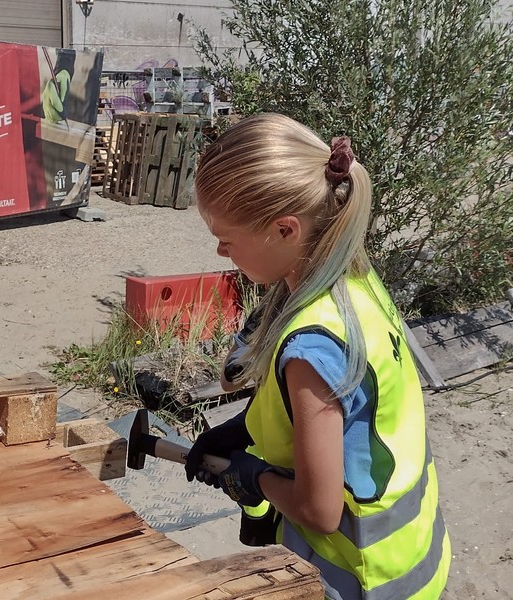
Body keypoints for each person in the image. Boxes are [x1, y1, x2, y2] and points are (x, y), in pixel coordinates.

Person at [184, 113, 450, 599]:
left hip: (364, 578)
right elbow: (353, 413)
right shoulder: (355, 278)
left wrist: (254, 477)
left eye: (227, 238)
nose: (221, 252)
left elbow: (320, 511)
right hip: (416, 553)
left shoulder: (310, 346)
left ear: (285, 229)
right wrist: (242, 429)